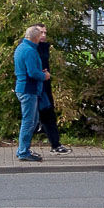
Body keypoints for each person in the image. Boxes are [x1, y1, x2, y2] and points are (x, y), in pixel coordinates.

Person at [12, 26, 49, 162]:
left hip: (23, 88)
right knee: (29, 121)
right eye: (40, 36)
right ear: (36, 38)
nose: (42, 38)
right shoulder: (29, 51)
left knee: (33, 120)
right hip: (28, 89)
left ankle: (23, 149)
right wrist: (44, 76)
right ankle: (23, 152)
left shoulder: (21, 48)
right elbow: (32, 73)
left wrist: (39, 71)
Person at [34, 25, 70, 154]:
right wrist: (42, 74)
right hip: (34, 87)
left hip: (44, 86)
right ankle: (24, 149)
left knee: (48, 114)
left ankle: (55, 144)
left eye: (45, 33)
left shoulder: (44, 47)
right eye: (41, 33)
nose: (43, 35)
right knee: (30, 118)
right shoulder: (29, 49)